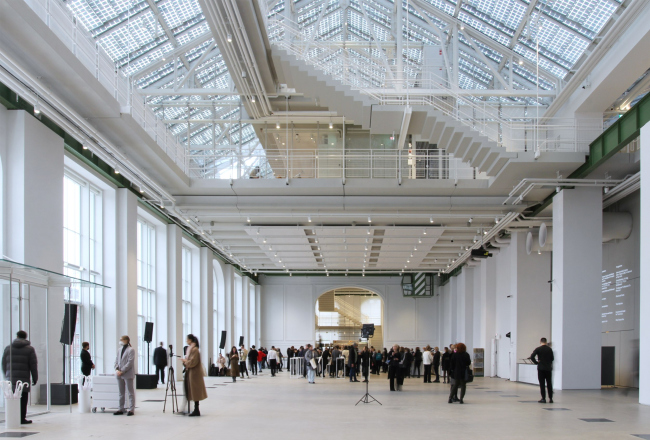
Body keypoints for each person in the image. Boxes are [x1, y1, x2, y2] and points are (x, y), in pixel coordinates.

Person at [1, 330, 38, 424]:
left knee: (12, 399)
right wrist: (35, 377)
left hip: (11, 378)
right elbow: (33, 365)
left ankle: (12, 417)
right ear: (25, 337)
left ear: (17, 336)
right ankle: (21, 418)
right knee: (23, 399)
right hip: (23, 379)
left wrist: (7, 375)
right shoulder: (30, 349)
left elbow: (3, 363)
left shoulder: (8, 348)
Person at [180, 334, 207, 416]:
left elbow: (193, 362)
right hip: (191, 372)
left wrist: (185, 361)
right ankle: (195, 409)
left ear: (191, 340)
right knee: (192, 391)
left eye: (187, 339)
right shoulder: (191, 349)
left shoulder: (195, 350)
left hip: (195, 373)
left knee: (195, 391)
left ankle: (196, 410)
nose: (186, 341)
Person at [114, 335, 136, 416]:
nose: (120, 341)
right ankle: (121, 408)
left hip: (127, 373)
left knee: (130, 392)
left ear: (126, 340)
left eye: (121, 339)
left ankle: (131, 409)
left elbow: (130, 362)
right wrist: (117, 369)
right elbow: (116, 360)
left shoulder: (131, 350)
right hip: (119, 374)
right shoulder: (119, 349)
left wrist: (122, 370)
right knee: (121, 392)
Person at [530, 337, 554, 403]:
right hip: (548, 368)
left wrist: (536, 362)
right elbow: (552, 358)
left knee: (542, 384)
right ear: (546, 342)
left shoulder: (538, 349)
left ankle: (543, 398)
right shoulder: (549, 349)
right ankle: (551, 398)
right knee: (549, 383)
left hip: (541, 368)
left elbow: (532, 357)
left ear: (540, 342)